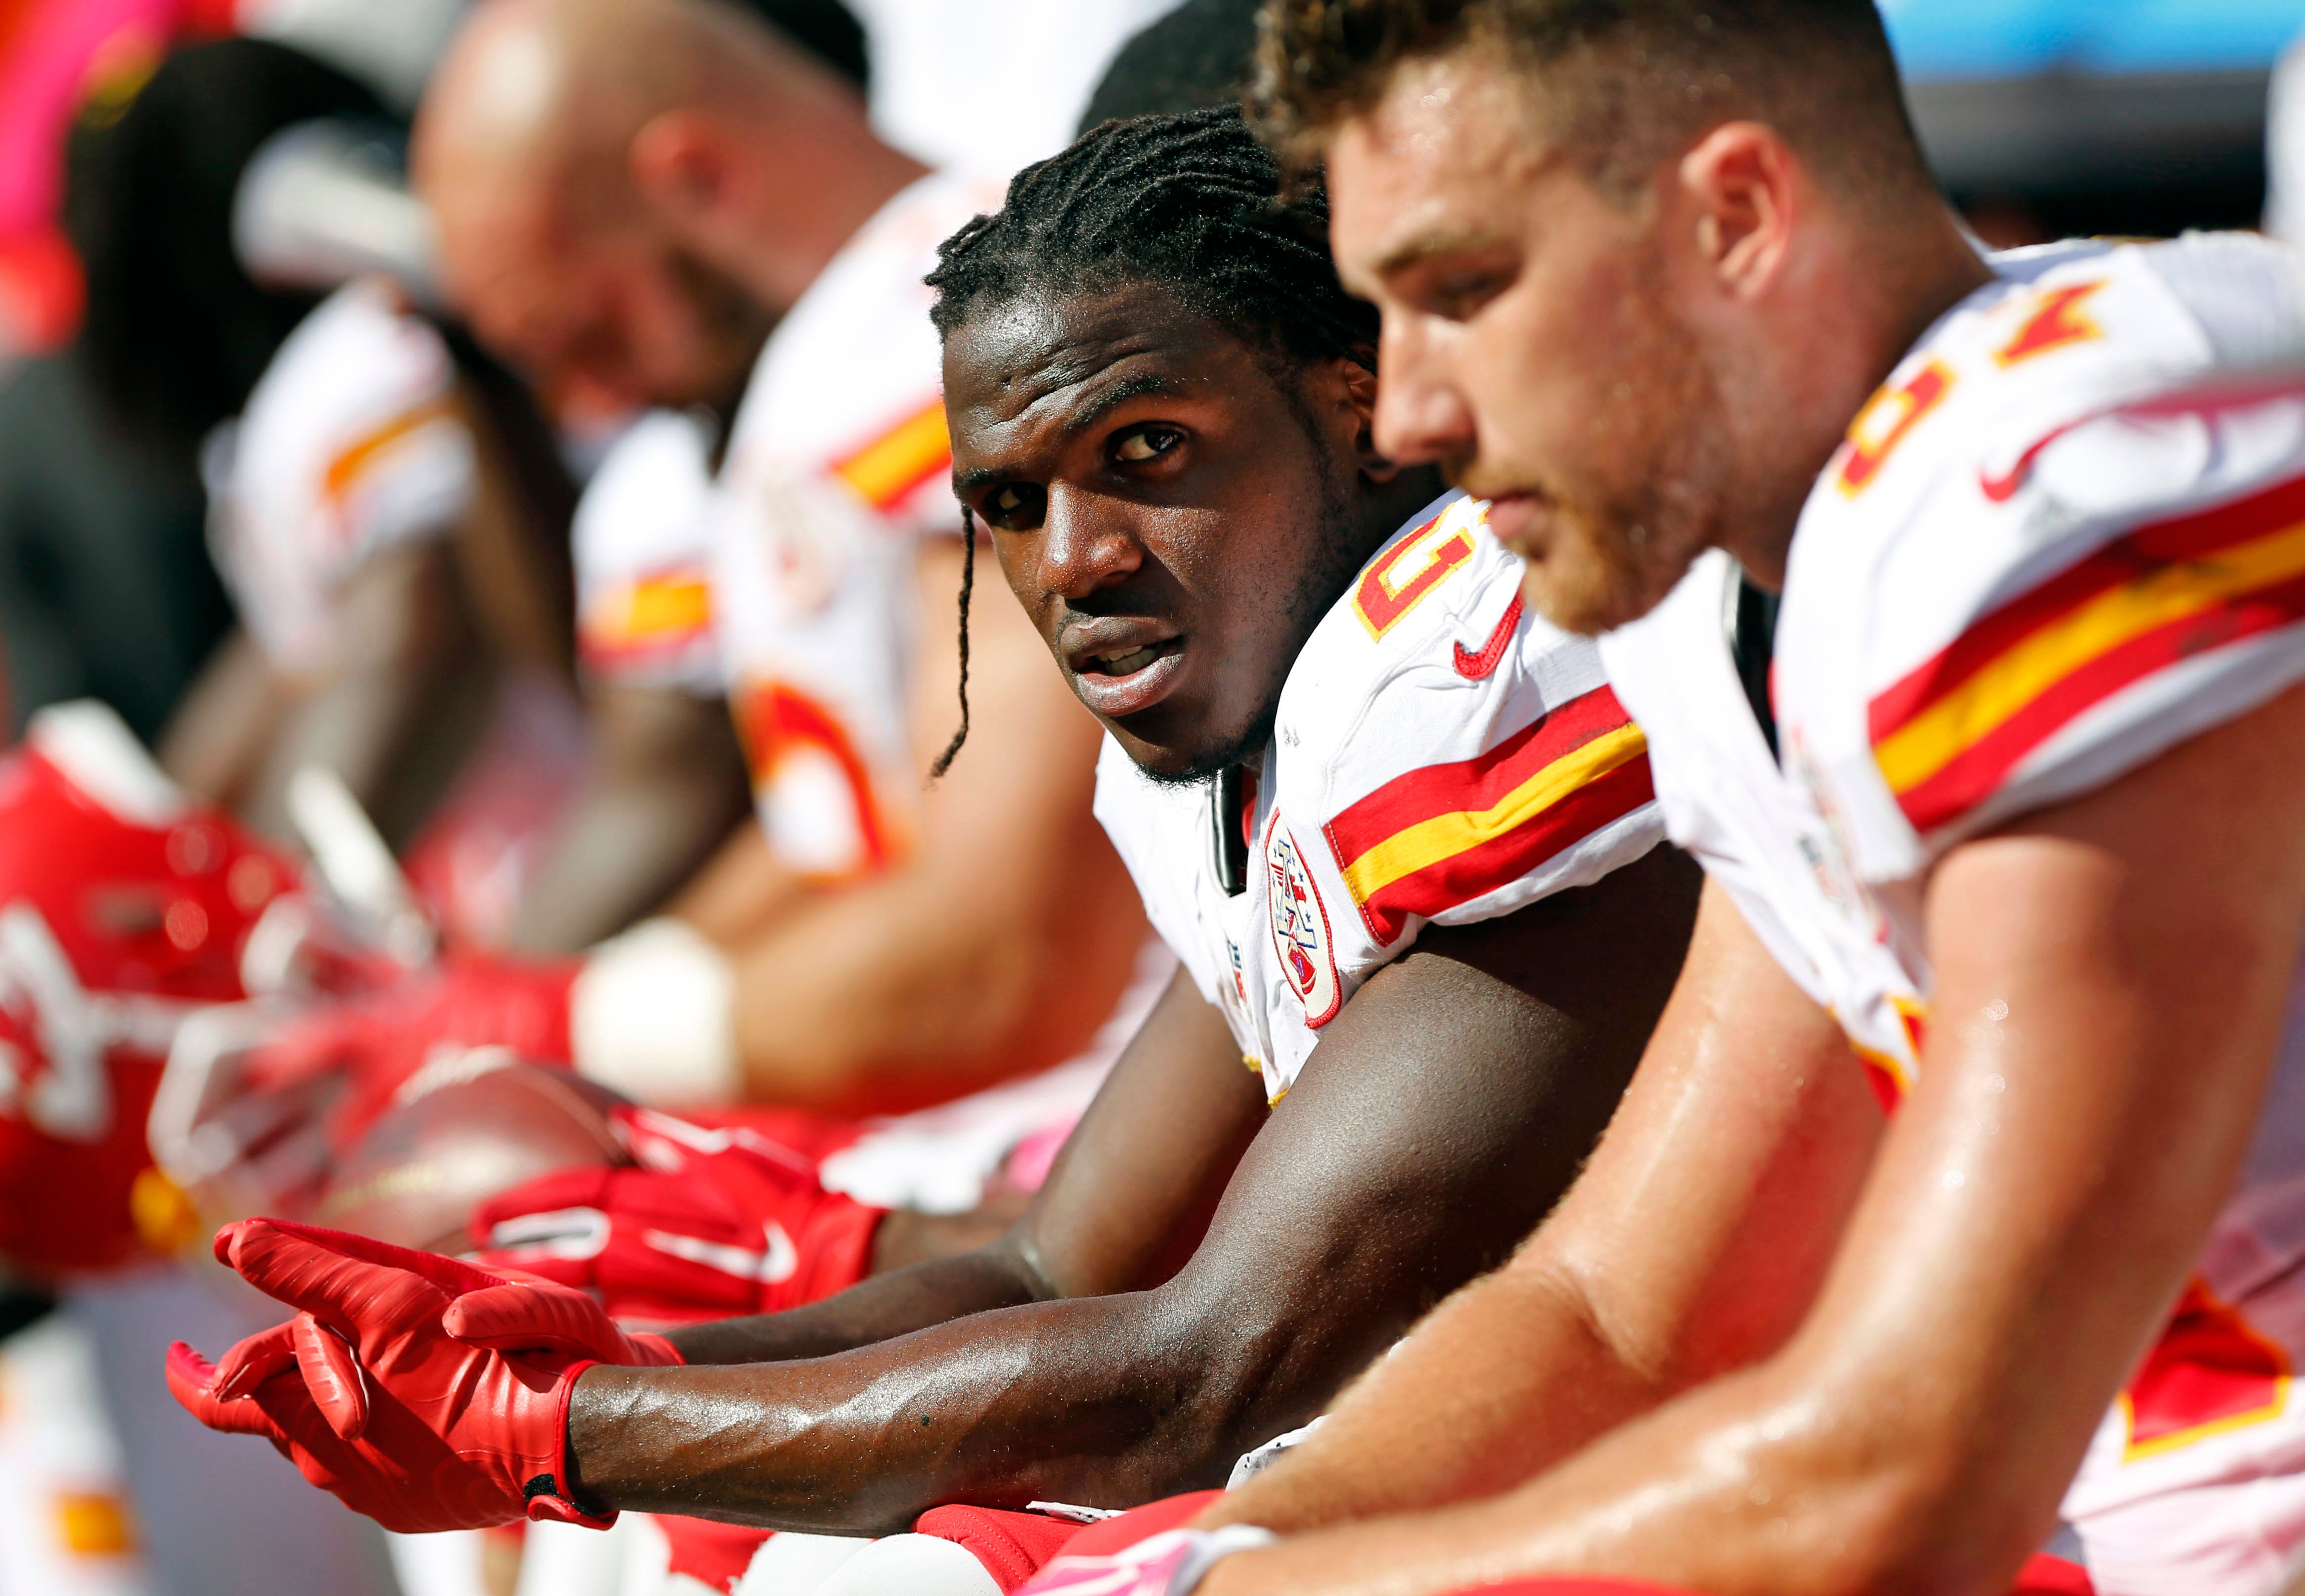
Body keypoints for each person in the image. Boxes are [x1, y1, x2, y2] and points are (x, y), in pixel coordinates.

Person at [166, 105, 1699, 1589]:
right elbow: (1052, 1262)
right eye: (1010, 504)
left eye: (1148, 448)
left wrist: (563, 1434)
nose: (1076, 562)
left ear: (1357, 408)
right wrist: (596, 1361)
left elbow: (1195, 1373)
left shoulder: (1468, 679)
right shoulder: (1250, 745)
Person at [1023, 4, 2305, 1596]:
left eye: (1462, 291)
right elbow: (1621, 1312)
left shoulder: (2049, 478)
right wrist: (1215, 1546)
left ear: (1735, 217)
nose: (1409, 409)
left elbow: (1909, 1472)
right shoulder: (1734, 588)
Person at [258, 0, 1153, 1122]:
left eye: (591, 333)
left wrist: (559, 1033)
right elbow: (853, 826)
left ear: (695, 179)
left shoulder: (967, 333)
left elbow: (1009, 954)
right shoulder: (840, 348)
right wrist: (549, 1000)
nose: (592, 400)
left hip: (1091, 1140)